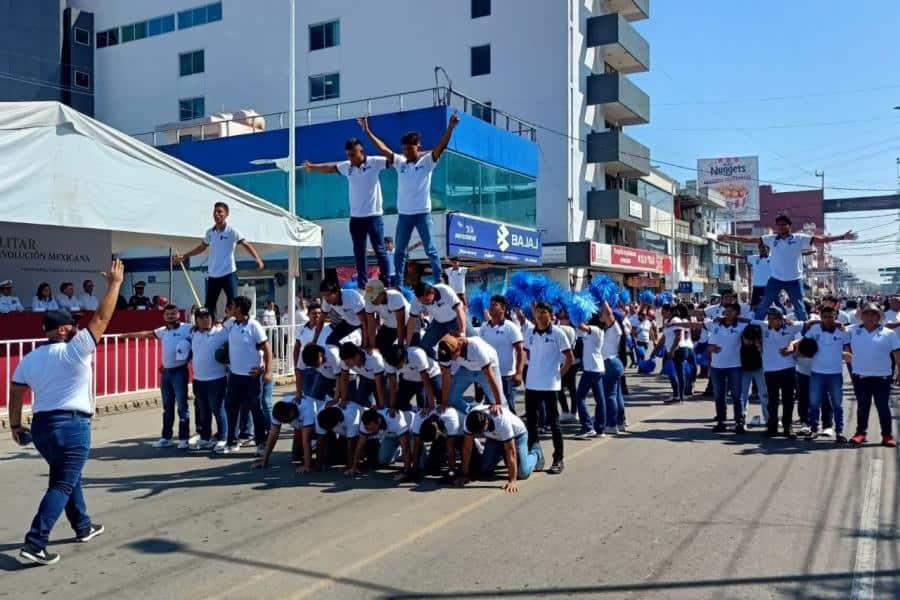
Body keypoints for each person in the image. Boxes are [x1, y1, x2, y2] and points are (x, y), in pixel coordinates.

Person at [9, 258, 124, 565]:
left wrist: (16, 425)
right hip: (71, 426)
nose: (77, 327)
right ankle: (35, 542)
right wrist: (114, 284)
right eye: (72, 324)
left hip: (42, 428)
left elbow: (16, 390)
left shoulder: (30, 358)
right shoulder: (75, 348)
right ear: (63, 329)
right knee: (61, 483)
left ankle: (83, 526)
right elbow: (102, 317)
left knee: (67, 476)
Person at [358, 113, 460, 286]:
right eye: (404, 149)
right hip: (404, 215)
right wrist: (367, 131)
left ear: (418, 147)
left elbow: (440, 146)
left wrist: (450, 128)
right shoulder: (400, 162)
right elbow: (383, 149)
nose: (406, 152)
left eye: (410, 149)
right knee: (399, 252)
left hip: (423, 214)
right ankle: (398, 283)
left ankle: (438, 280)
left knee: (431, 250)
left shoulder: (428, 161)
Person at [720, 213, 856, 321]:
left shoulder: (799, 238)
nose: (780, 227)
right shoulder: (771, 239)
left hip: (794, 280)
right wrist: (730, 237)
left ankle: (805, 330)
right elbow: (750, 239)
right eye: (778, 225)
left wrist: (842, 236)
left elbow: (821, 239)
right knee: (763, 305)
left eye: (783, 225)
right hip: (775, 279)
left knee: (799, 308)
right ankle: (757, 325)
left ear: (789, 226)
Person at [303, 130, 391, 288]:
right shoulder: (347, 166)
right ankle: (363, 284)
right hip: (356, 218)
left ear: (362, 152)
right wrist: (312, 167)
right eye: (348, 155)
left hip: (373, 216)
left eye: (353, 154)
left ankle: (386, 281)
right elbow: (330, 167)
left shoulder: (375, 162)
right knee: (359, 252)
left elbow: (393, 159)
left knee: (379, 249)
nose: (350, 158)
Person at [121, 305, 195, 449]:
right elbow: (146, 334)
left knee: (182, 407)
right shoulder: (162, 331)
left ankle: (184, 438)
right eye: (167, 314)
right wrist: (128, 335)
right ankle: (166, 437)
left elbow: (199, 334)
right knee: (167, 407)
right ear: (164, 316)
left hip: (180, 371)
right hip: (166, 373)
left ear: (178, 315)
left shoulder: (187, 328)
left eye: (173, 313)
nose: (170, 316)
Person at [173, 201, 265, 316]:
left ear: (226, 214)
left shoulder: (232, 231)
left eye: (220, 212)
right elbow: (202, 247)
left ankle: (232, 326)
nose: (216, 214)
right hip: (213, 274)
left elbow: (246, 244)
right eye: (215, 212)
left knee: (233, 303)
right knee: (209, 306)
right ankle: (209, 328)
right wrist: (185, 256)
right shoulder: (210, 232)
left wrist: (258, 259)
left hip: (228, 273)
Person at [523, 302, 573, 475]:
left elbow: (569, 358)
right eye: (537, 313)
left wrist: (560, 372)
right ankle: (536, 455)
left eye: (543, 312)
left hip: (550, 385)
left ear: (551, 314)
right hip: (531, 384)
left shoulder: (558, 333)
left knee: (554, 423)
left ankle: (558, 459)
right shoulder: (529, 332)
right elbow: (526, 353)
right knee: (532, 423)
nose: (540, 316)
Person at [789, 306, 850, 441]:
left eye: (831, 316)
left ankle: (839, 431)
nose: (828, 319)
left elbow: (848, 348)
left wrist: (848, 354)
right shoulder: (814, 330)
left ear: (836, 316)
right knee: (814, 403)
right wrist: (797, 350)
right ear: (820, 317)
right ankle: (813, 429)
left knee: (837, 404)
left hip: (835, 373)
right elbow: (803, 343)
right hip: (817, 373)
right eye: (825, 316)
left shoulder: (842, 331)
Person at [456, 405, 544, 493]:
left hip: (517, 436)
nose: (479, 434)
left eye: (480, 432)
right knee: (484, 470)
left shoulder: (501, 420)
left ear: (486, 423)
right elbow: (467, 448)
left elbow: (511, 451)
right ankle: (502, 453)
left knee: (522, 473)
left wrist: (512, 480)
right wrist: (464, 475)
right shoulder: (469, 421)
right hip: (494, 439)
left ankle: (536, 452)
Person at [846, 303, 899, 447]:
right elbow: (833, 330)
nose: (870, 317)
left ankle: (887, 435)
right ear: (861, 316)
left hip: (882, 377)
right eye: (867, 314)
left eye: (873, 314)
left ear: (879, 317)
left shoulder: (889, 333)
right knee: (863, 406)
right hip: (860, 376)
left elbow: (897, 353)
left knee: (883, 407)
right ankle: (861, 433)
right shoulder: (851, 331)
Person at [225, 295, 273, 455]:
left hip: (252, 376)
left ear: (239, 308)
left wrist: (267, 371)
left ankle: (261, 442)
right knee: (231, 408)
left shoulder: (254, 325)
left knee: (256, 408)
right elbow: (216, 328)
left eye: (232, 306)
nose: (230, 308)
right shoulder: (230, 324)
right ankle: (232, 441)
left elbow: (267, 348)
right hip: (234, 375)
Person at [752, 308, 802, 438]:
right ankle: (772, 426)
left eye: (773, 318)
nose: (770, 321)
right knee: (773, 400)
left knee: (788, 400)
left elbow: (810, 323)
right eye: (769, 318)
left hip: (788, 368)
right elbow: (747, 321)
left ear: (780, 319)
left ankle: (787, 427)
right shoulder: (764, 326)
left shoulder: (791, 326)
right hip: (770, 370)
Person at [188, 307, 229, 453]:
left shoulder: (221, 332)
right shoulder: (192, 333)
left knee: (218, 409)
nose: (205, 320)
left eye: (208, 317)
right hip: (198, 380)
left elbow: (232, 324)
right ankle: (205, 438)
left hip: (217, 379)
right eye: (201, 318)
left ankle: (223, 438)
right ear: (196, 320)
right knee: (204, 411)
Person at [437, 333, 505, 414]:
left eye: (451, 357)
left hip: (488, 368)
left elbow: (490, 375)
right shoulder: (444, 350)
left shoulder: (475, 347)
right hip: (466, 368)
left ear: (458, 348)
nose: (450, 359)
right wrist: (444, 403)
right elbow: (446, 377)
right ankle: (471, 415)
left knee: (499, 403)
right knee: (451, 399)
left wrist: (498, 403)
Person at [479, 295, 525, 414]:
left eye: (495, 305)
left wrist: (519, 373)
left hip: (506, 376)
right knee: (492, 406)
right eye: (490, 305)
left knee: (507, 407)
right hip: (488, 374)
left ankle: (514, 431)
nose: (491, 308)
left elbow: (521, 350)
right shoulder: (484, 327)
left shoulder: (510, 327)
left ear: (503, 308)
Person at [406, 280, 466, 357]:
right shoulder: (417, 300)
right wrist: (408, 343)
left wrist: (462, 333)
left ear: (433, 292)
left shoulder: (445, 290)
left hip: (456, 319)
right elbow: (412, 321)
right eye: (423, 302)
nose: (426, 304)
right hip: (438, 322)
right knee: (424, 346)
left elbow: (459, 310)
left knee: (466, 342)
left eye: (427, 301)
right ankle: (439, 363)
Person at [572, 313, 606, 439]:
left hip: (592, 369)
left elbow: (580, 325)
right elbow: (579, 329)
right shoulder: (590, 333)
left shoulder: (597, 330)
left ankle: (587, 427)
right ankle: (600, 428)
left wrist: (573, 314)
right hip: (594, 369)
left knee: (579, 397)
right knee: (599, 400)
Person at [316, 279, 367, 347]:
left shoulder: (351, 297)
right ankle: (349, 353)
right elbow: (321, 320)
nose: (326, 298)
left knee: (365, 347)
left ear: (337, 292)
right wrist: (314, 341)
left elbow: (365, 322)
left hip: (366, 321)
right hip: (350, 322)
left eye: (328, 295)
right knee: (330, 342)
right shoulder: (326, 301)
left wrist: (365, 343)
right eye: (323, 295)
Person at [363, 280, 409, 354]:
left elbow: (401, 323)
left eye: (374, 297)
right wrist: (373, 346)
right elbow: (371, 325)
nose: (372, 301)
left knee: (411, 347)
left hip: (408, 322)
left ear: (382, 293)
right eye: (370, 297)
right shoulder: (368, 300)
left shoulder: (395, 297)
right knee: (379, 349)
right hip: (389, 324)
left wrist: (400, 345)